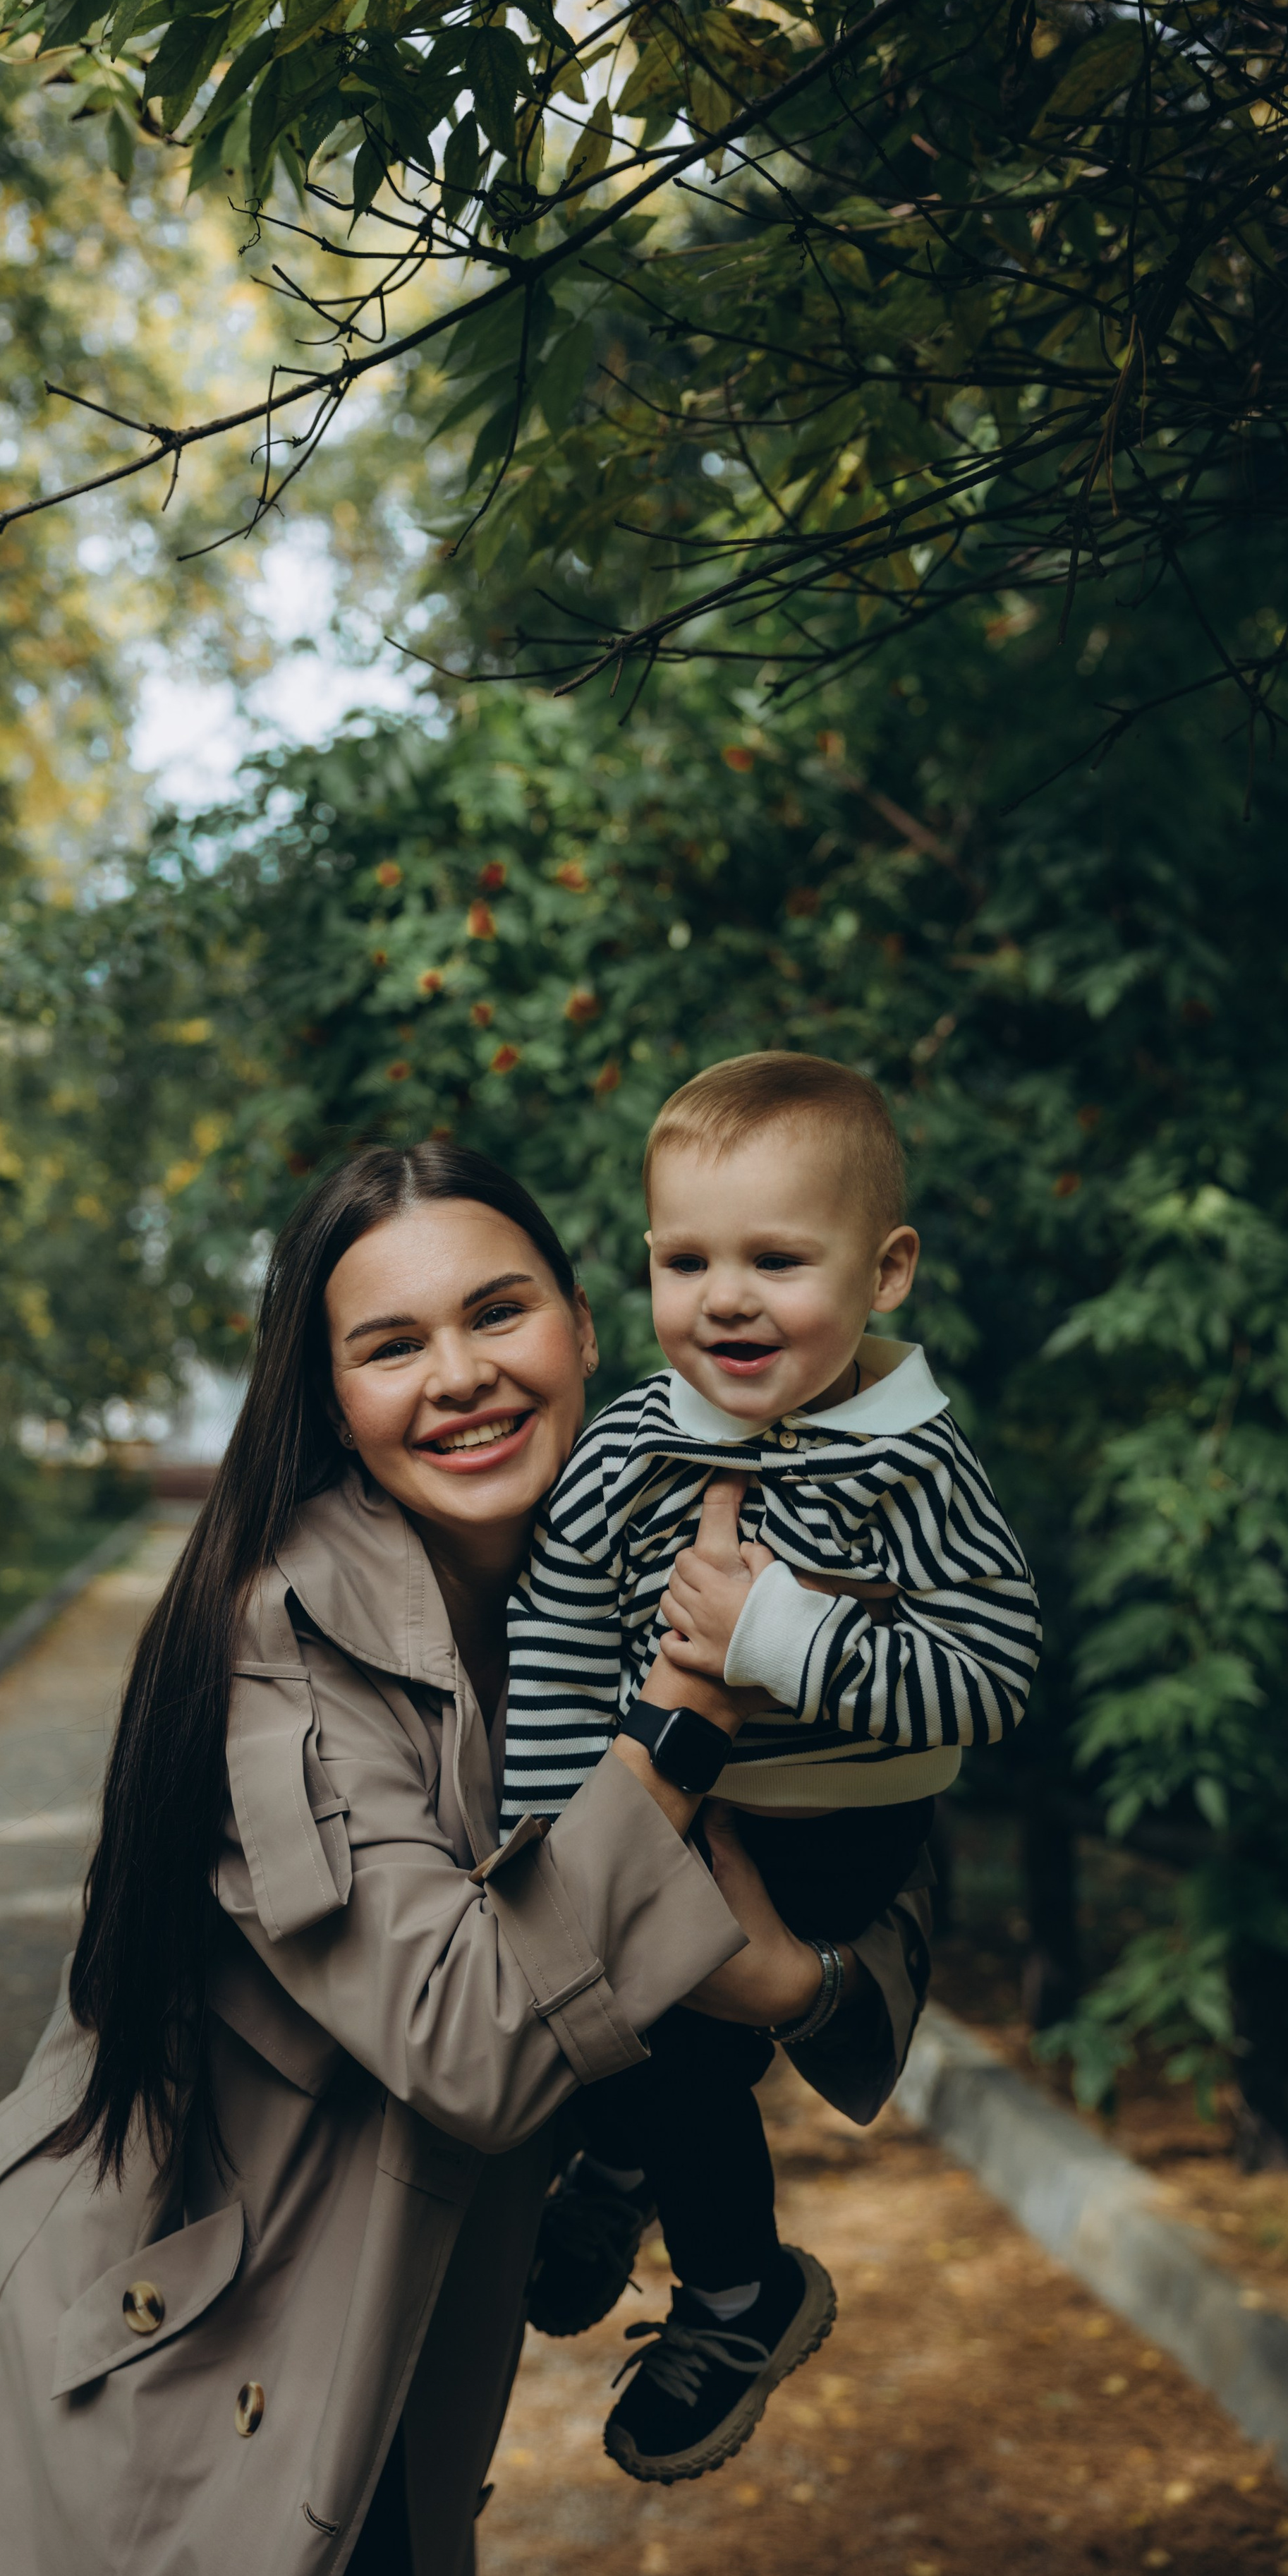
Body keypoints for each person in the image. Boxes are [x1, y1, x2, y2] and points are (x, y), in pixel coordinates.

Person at [0, 1140, 934, 2576]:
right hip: (183, 2393)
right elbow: (472, 2044)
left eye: (496, 1315)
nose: (458, 1377)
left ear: (584, 1328)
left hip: (383, 2372)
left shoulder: (662, 1550)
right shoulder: (281, 1649)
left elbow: (879, 1821)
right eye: (392, 1345)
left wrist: (793, 1982)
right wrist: (679, 1725)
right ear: (331, 1399)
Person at [506, 1053, 1041, 2484]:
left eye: (774, 1258)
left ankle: (739, 2293)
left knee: (679, 2039)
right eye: (686, 1260)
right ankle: (621, 2166)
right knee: (608, 1999)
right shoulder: (622, 1443)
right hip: (671, 1804)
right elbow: (556, 1644)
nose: (723, 1297)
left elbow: (993, 1674)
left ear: (885, 1272)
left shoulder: (913, 1466)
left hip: (839, 1834)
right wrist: (558, 1825)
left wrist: (779, 1634)